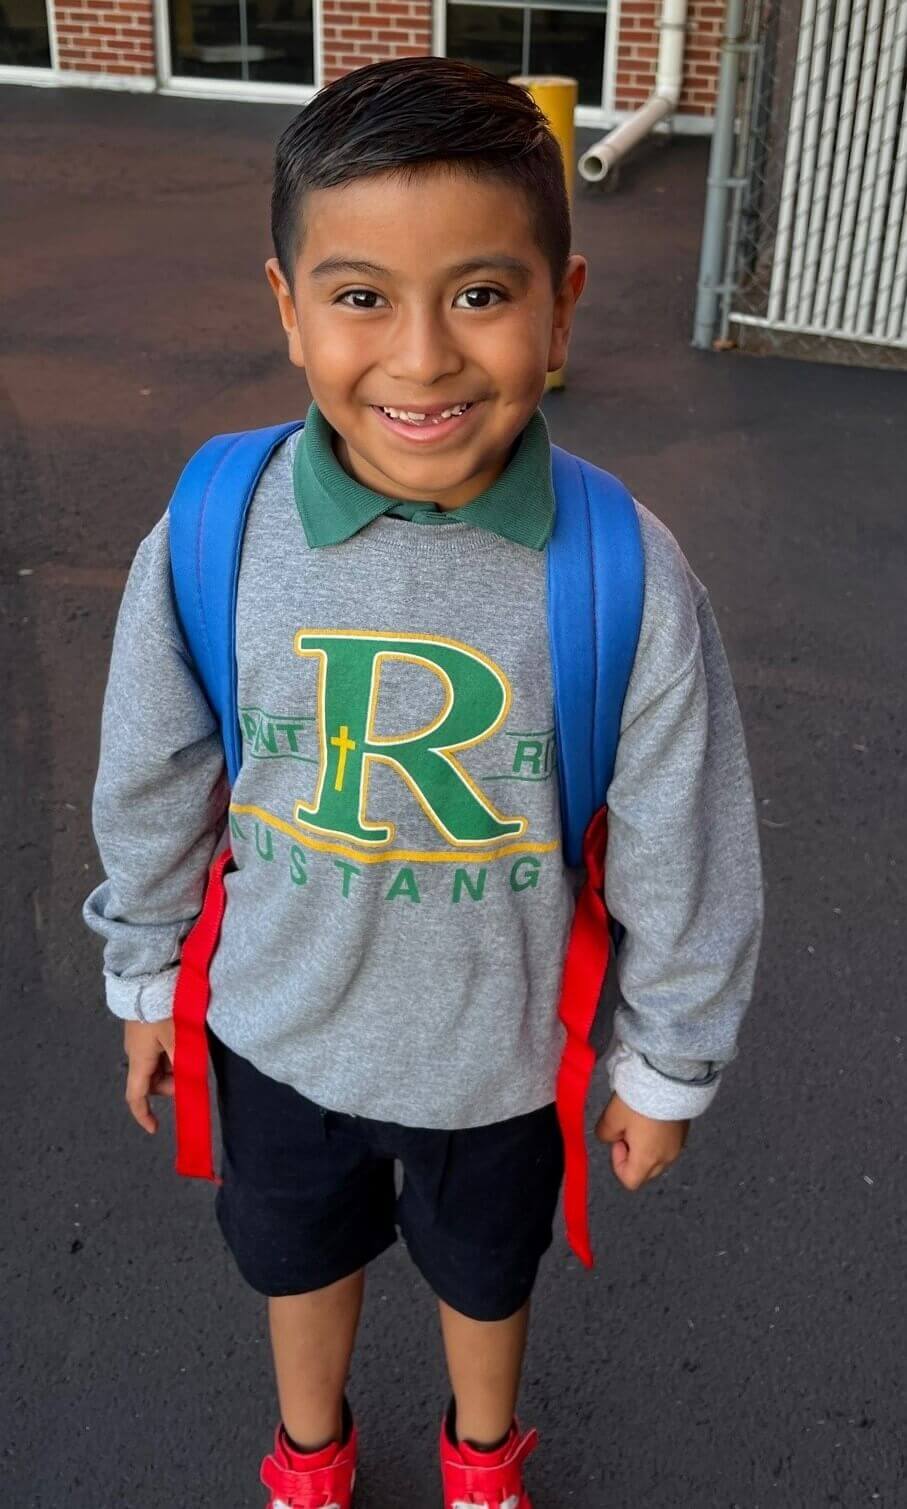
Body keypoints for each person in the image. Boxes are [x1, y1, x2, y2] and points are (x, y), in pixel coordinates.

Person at [83, 56, 764, 1509]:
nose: (421, 359)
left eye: (478, 293)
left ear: (563, 301)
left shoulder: (622, 567)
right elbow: (153, 771)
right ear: (285, 308)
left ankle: (479, 1454)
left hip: (501, 1060)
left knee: (484, 1275)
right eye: (359, 297)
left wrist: (666, 1058)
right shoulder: (219, 522)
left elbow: (682, 837)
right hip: (274, 1031)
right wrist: (146, 979)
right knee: (297, 1258)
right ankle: (312, 1453)